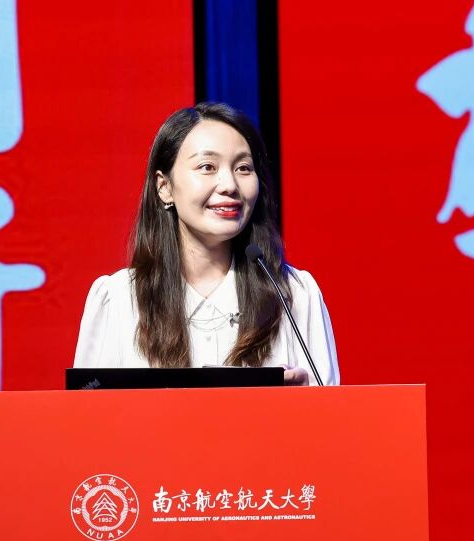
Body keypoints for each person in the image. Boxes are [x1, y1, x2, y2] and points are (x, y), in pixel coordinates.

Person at [73, 102, 338, 386]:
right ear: (164, 187)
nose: (229, 185)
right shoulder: (118, 300)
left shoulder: (295, 294)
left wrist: (297, 402)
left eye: (243, 168)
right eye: (207, 167)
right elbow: (86, 412)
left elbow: (333, 410)